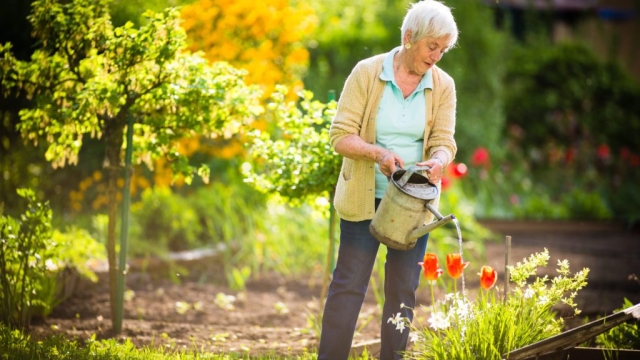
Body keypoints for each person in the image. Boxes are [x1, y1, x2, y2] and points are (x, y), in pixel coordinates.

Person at [317, 1, 458, 359]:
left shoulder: (443, 85)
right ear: (409, 37)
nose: (437, 56)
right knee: (348, 288)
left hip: (414, 205)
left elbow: (445, 141)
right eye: (432, 47)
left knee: (403, 291)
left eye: (443, 49)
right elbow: (340, 135)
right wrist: (378, 154)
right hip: (364, 199)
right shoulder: (367, 73)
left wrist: (440, 160)